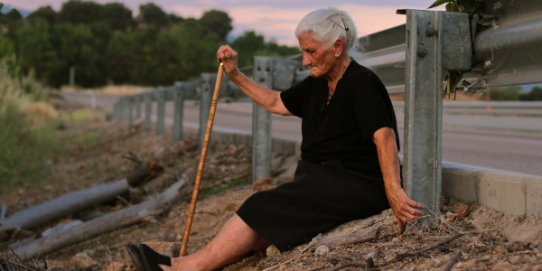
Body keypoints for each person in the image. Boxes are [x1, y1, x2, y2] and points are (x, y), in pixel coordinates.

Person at [128, 7, 423, 271]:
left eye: (310, 51)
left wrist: (393, 191)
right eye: (303, 52)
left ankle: (183, 269)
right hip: (322, 181)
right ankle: (185, 263)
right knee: (260, 230)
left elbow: (384, 137)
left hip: (355, 185)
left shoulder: (362, 83)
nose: (305, 61)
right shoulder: (318, 83)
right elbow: (276, 102)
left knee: (260, 206)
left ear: (337, 47)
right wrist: (235, 74)